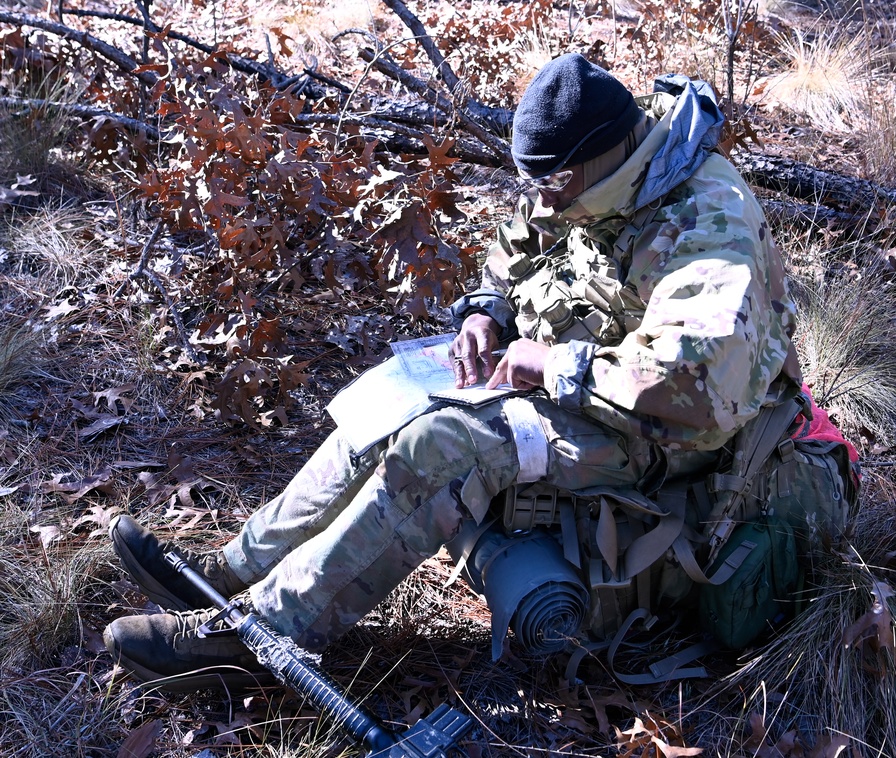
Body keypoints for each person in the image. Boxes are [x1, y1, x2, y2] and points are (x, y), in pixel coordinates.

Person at [103, 53, 855, 690]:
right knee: (388, 406)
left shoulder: (706, 218)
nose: (541, 200)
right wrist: (485, 314)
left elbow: (701, 388)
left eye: (554, 184)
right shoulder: (593, 176)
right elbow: (518, 244)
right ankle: (231, 572)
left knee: (445, 444)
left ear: (599, 160)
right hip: (586, 388)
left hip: (667, 436)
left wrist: (553, 364)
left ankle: (261, 638)